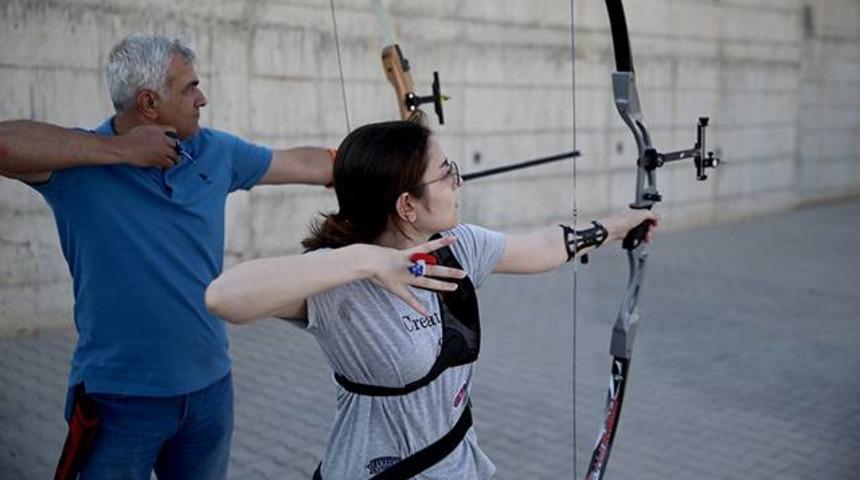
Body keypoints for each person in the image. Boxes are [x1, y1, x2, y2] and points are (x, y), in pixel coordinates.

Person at [204, 118, 658, 479]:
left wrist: (619, 226)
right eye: (447, 174)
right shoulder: (336, 278)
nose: (458, 182)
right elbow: (225, 297)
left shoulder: (457, 245)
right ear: (406, 205)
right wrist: (365, 261)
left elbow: (540, 247)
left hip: (457, 466)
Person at [0, 33, 334, 479]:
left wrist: (385, 157)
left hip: (210, 391)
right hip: (118, 401)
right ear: (149, 103)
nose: (203, 98)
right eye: (190, 88)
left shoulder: (214, 151)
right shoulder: (76, 165)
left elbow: (304, 164)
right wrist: (121, 151)